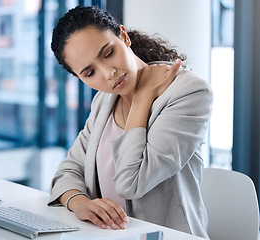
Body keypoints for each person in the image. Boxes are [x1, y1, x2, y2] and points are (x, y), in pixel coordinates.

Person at [48, 5, 212, 239]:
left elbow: (130, 184)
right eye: (89, 72)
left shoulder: (188, 92)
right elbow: (68, 169)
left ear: (123, 36)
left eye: (108, 53)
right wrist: (79, 202)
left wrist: (143, 98)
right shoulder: (104, 101)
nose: (108, 73)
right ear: (78, 78)